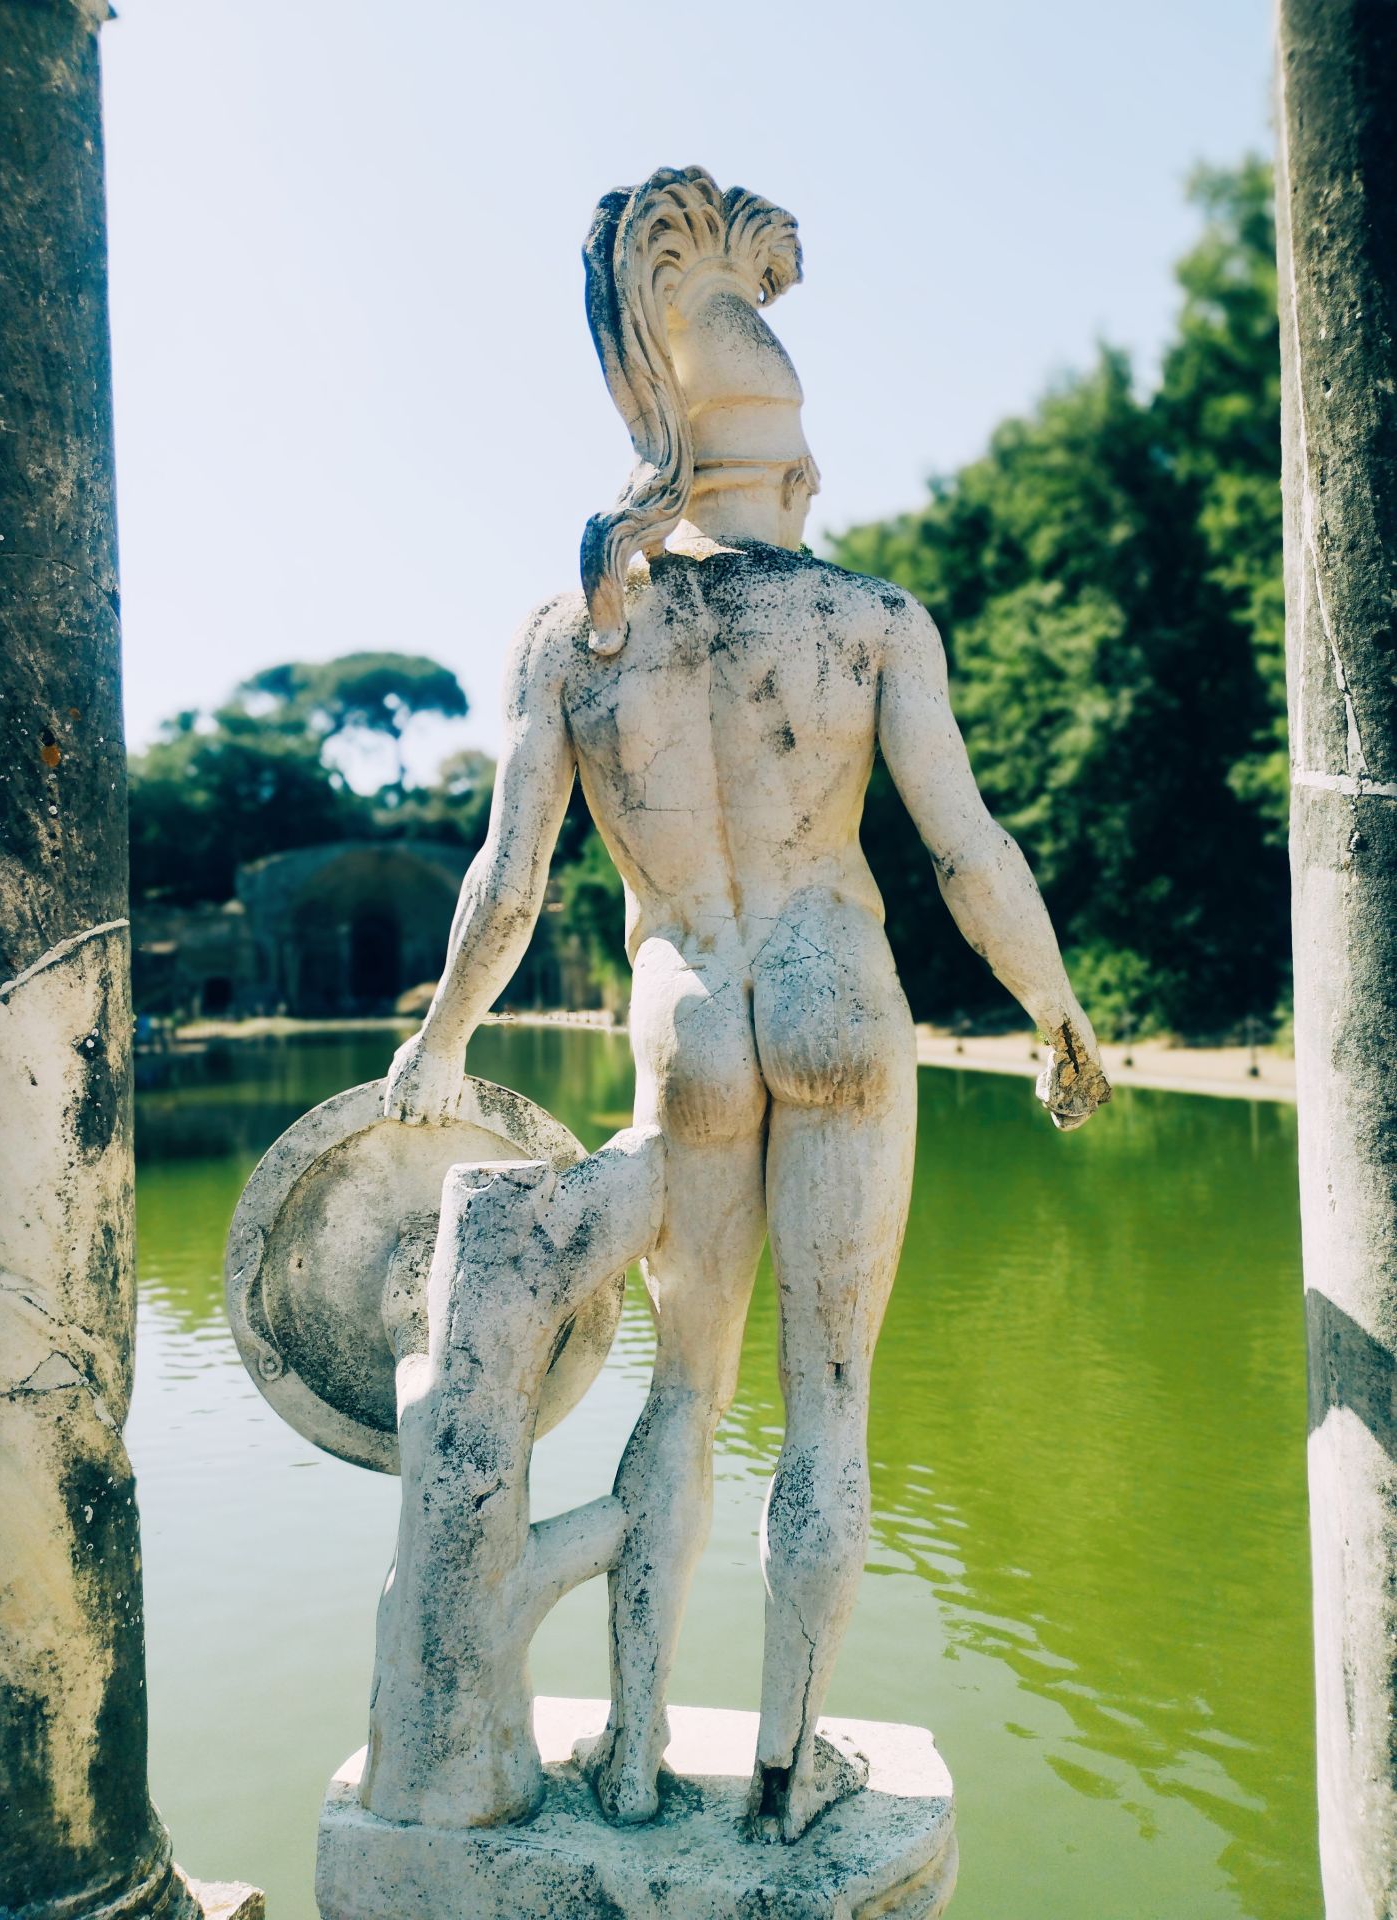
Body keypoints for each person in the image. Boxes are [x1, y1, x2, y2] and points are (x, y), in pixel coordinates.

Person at [385, 166, 1109, 1842]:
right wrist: (1058, 1011)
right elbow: (966, 853)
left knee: (681, 1399)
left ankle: (635, 1756)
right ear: (789, 444)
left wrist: (437, 1047)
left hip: (689, 1014)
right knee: (831, 1411)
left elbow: (505, 888)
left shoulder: (581, 631)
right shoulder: (866, 619)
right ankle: (787, 1776)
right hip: (839, 995)